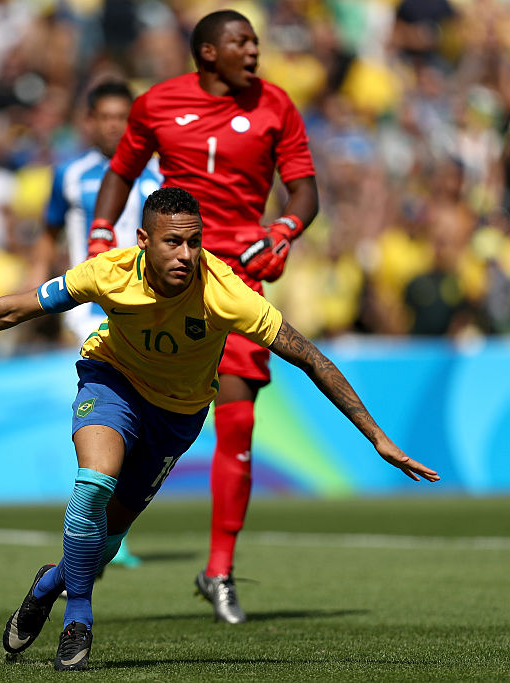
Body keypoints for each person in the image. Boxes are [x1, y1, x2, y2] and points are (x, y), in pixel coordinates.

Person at [0, 187, 439, 671]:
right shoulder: (108, 273)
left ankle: (49, 586)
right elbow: (14, 308)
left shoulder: (225, 291)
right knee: (92, 488)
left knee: (102, 541)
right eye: (174, 243)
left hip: (177, 415)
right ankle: (79, 618)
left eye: (195, 242)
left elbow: (308, 355)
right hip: (112, 382)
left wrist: (377, 437)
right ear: (143, 242)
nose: (186, 255)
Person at [89, 9, 319, 623]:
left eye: (256, 40)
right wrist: (99, 236)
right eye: (240, 41)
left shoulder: (277, 106)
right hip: (169, 271)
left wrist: (286, 227)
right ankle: (103, 530)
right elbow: (121, 171)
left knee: (237, 419)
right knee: (134, 399)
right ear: (207, 52)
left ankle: (218, 568)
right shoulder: (157, 104)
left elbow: (304, 189)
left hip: (236, 275)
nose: (254, 50)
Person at [31, 79, 163, 568]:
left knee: (134, 406)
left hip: (143, 304)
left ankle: (104, 514)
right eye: (105, 117)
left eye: (122, 118)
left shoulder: (157, 175)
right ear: (89, 121)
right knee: (112, 400)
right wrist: (38, 292)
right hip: (88, 305)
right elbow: (48, 233)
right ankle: (103, 519)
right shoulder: (69, 174)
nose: (114, 126)